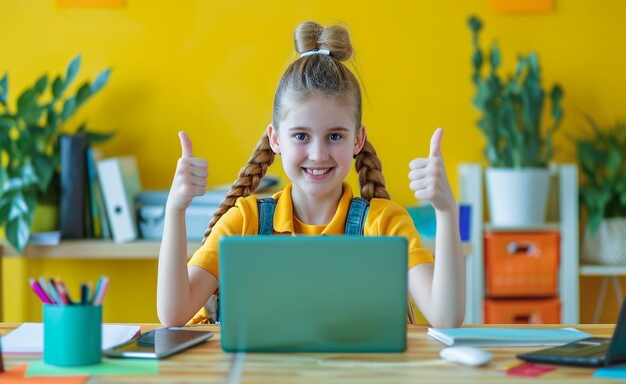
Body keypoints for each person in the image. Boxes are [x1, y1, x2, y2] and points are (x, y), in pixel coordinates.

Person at [157, 21, 465, 328]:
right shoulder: (246, 219)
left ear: (357, 139)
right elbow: (174, 314)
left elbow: (446, 317)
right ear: (275, 138)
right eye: (301, 136)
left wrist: (446, 210)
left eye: (334, 136)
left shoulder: (384, 223)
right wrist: (176, 209)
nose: (318, 155)